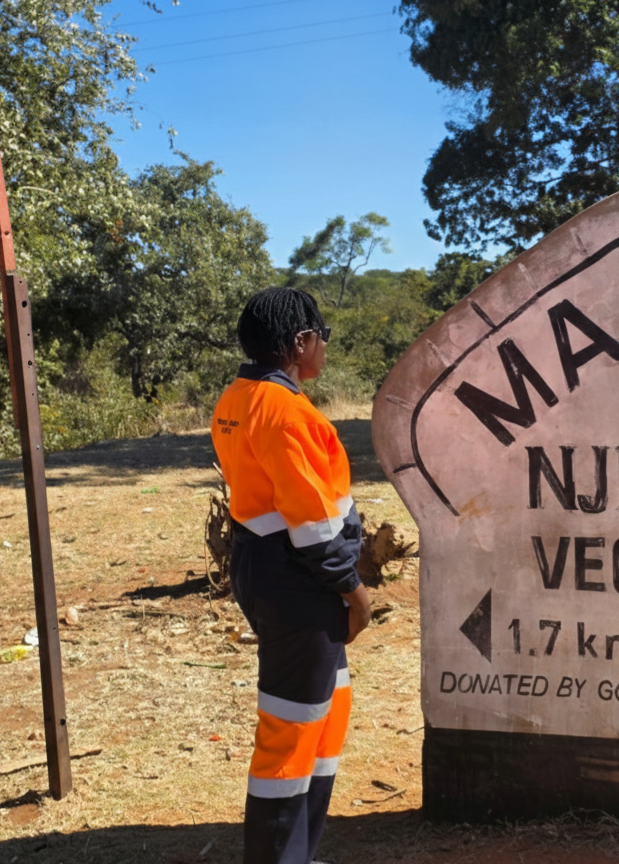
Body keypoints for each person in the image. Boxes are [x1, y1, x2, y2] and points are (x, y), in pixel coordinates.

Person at [211, 286, 371, 863]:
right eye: (321, 337)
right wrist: (355, 594)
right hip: (299, 580)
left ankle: (299, 852)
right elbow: (315, 528)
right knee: (291, 728)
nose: (324, 348)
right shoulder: (289, 414)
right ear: (301, 342)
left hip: (263, 565)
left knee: (326, 708)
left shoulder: (235, 396)